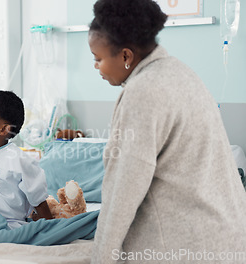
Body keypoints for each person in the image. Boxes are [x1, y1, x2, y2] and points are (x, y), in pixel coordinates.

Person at [87, 0, 246, 263]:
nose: (96, 67)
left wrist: (101, 258)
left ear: (126, 56)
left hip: (184, 249)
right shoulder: (182, 73)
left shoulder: (142, 92)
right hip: (229, 240)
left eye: (98, 59)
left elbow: (121, 194)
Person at [0, 89, 53, 229]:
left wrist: (51, 230)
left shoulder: (19, 160)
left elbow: (39, 202)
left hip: (6, 225)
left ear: (3, 129)